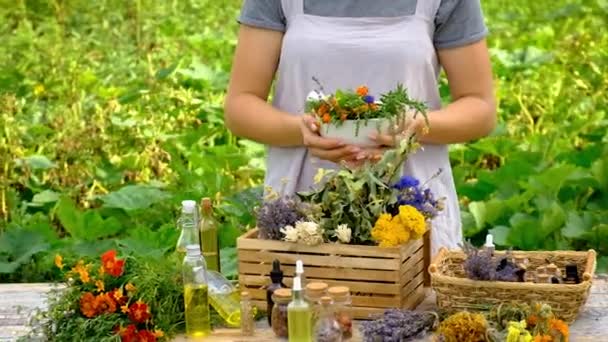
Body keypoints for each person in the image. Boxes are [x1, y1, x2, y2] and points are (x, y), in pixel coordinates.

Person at [223, 0, 496, 256]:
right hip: (301, 218)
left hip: (410, 216)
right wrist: (301, 130)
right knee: (297, 305)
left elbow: (480, 107)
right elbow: (241, 105)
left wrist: (417, 124)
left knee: (415, 302)